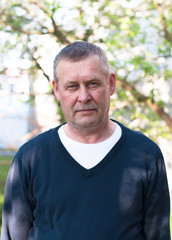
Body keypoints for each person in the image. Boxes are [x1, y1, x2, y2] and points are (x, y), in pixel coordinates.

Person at [1, 41, 171, 240]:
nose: (84, 96)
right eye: (72, 86)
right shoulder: (30, 158)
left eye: (93, 84)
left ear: (111, 84)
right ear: (57, 90)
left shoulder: (145, 155)